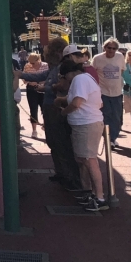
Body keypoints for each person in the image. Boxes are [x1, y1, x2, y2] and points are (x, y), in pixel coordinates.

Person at [17, 39, 82, 189]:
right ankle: (61, 172)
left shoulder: (64, 68)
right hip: (50, 106)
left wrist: (45, 87)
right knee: (53, 141)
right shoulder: (56, 67)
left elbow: (61, 86)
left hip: (55, 107)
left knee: (60, 142)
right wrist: (22, 75)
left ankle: (69, 176)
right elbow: (43, 75)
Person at [59, 57, 108, 212]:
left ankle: (99, 197)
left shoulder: (79, 79)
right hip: (84, 122)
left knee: (89, 159)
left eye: (64, 76)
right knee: (82, 159)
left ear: (69, 73)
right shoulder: (87, 78)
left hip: (86, 123)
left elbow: (77, 102)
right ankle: (89, 192)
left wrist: (64, 112)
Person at [92, 38, 125, 148]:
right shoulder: (97, 58)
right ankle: (109, 138)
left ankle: (113, 137)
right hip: (103, 93)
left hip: (117, 92)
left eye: (114, 48)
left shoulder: (120, 57)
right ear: (104, 48)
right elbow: (93, 73)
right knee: (106, 116)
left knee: (117, 117)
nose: (111, 50)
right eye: (109, 48)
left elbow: (122, 71)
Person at [23, 51, 48, 138]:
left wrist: (40, 83)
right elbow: (24, 79)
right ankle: (34, 130)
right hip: (31, 89)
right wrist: (30, 82)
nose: (32, 64)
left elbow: (48, 78)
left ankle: (46, 128)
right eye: (30, 63)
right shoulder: (27, 66)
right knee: (33, 109)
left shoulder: (45, 66)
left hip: (43, 89)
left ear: (38, 60)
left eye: (33, 63)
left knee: (44, 109)